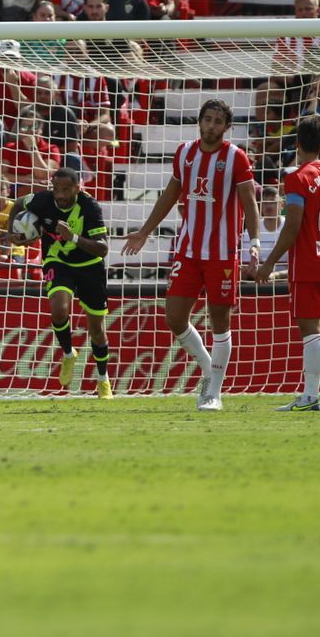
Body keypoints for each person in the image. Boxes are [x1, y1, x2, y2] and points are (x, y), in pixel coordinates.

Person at [124, 99, 260, 411]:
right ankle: (209, 367)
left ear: (227, 127)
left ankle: (213, 392)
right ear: (199, 122)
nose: (211, 126)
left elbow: (250, 202)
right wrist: (144, 231)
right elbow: (171, 194)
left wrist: (253, 240)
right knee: (174, 317)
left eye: (218, 121)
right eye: (207, 119)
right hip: (187, 250)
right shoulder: (185, 153)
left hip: (223, 253)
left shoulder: (236, 158)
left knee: (220, 321)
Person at [254, 115, 320, 412]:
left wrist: (270, 263)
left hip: (308, 263)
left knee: (311, 330)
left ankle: (310, 397)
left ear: (297, 143)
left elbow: (293, 225)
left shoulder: (297, 178)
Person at [11, 167, 113, 398]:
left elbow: (103, 248)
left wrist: (73, 238)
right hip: (58, 262)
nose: (60, 195)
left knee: (97, 329)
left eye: (66, 190)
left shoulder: (90, 207)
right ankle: (68, 353)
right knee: (58, 309)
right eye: (56, 189)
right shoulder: (42, 200)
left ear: (78, 188)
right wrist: (13, 232)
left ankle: (103, 379)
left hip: (90, 266)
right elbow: (18, 204)